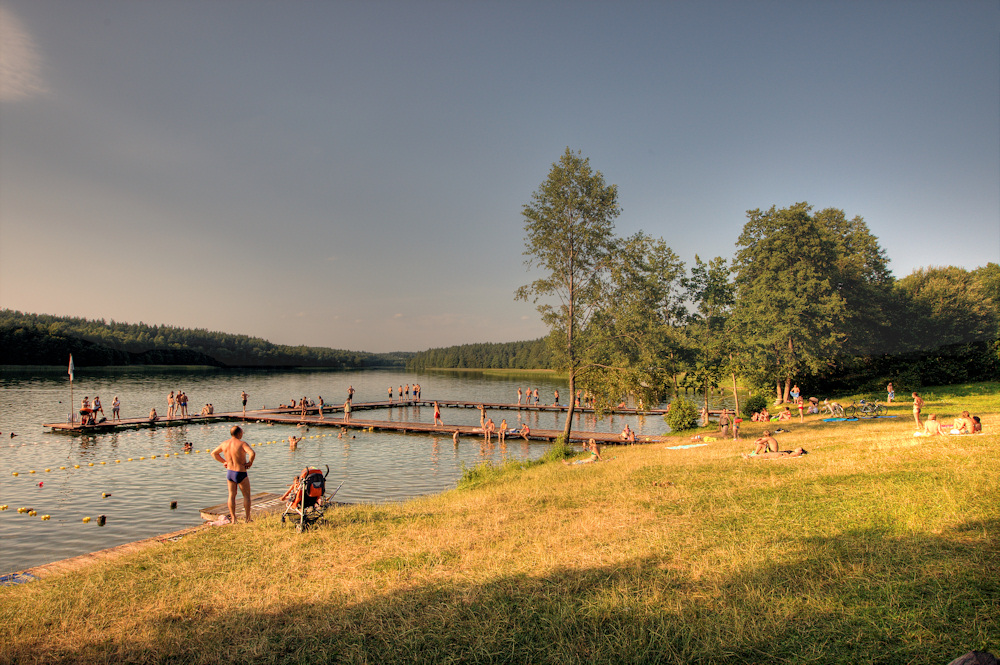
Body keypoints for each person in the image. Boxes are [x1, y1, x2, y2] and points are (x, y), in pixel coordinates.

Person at [212, 425, 256, 524]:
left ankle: (233, 519)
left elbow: (214, 453)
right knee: (246, 496)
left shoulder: (224, 444)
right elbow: (252, 453)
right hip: (240, 472)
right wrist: (250, 462)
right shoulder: (242, 443)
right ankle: (247, 519)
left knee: (231, 495)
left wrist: (224, 462)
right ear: (239, 433)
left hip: (230, 472)